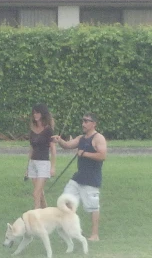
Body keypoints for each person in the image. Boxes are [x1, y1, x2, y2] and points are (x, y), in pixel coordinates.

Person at [51, 112, 106, 241]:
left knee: (93, 207)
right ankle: (71, 229)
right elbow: (68, 146)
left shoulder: (99, 138)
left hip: (91, 179)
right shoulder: (81, 138)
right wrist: (60, 141)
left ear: (94, 123)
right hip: (78, 177)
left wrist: (85, 154)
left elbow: (102, 155)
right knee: (66, 200)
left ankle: (94, 234)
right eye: (83, 121)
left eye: (87, 121)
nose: (84, 123)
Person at [25, 103, 56, 209]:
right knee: (40, 194)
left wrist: (52, 166)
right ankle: (47, 213)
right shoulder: (32, 129)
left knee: (36, 193)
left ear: (43, 114)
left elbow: (53, 148)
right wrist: (27, 167)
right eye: (34, 113)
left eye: (37, 112)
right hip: (33, 163)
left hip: (43, 163)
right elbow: (31, 148)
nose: (35, 115)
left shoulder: (48, 130)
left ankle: (36, 217)